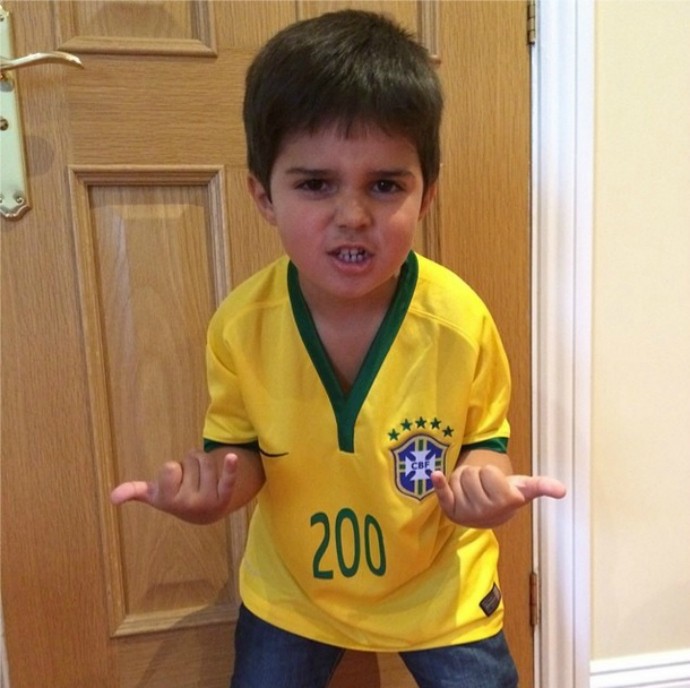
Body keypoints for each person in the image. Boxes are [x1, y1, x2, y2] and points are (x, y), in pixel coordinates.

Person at [111, 9, 566, 688]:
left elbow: (484, 446)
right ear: (263, 195)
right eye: (316, 184)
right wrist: (216, 489)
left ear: (427, 194)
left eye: (385, 185)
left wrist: (485, 488)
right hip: (293, 592)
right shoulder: (241, 325)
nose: (353, 215)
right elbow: (245, 458)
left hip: (438, 590)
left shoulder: (460, 321)